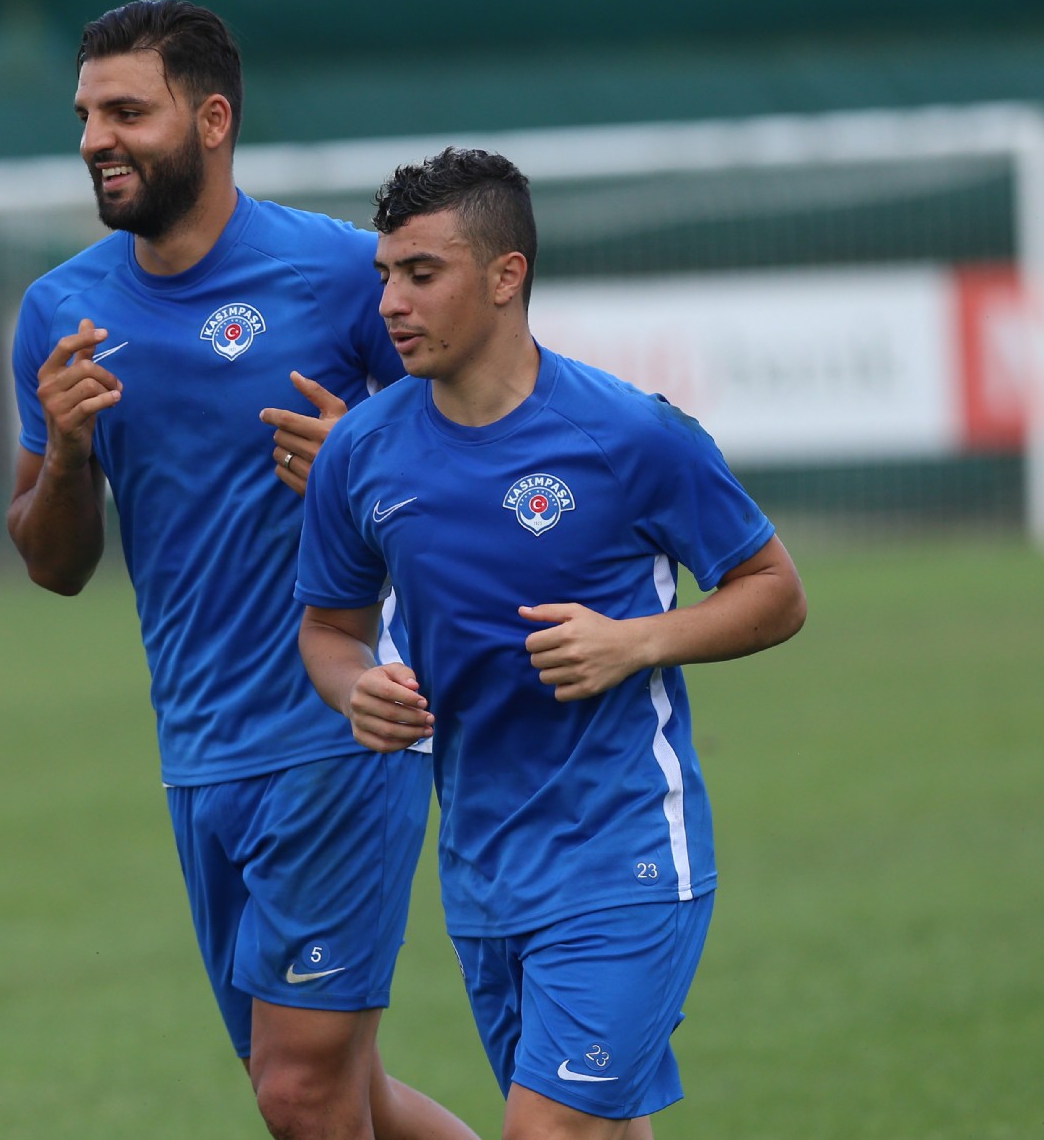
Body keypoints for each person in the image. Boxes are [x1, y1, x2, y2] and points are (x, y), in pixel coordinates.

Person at [8, 0, 477, 1140]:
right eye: (86, 115)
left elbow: (487, 461)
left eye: (128, 112)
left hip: (345, 724)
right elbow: (52, 564)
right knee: (341, 1091)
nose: (96, 140)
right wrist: (65, 455)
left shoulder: (343, 274)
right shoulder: (61, 311)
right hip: (199, 751)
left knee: (301, 1092)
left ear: (212, 120)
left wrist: (360, 467)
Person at [294, 147, 808, 1140]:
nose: (392, 302)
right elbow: (328, 629)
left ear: (506, 276)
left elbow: (775, 591)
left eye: (422, 273)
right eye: (386, 275)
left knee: (545, 1129)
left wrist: (635, 642)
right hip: (483, 867)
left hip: (626, 850)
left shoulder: (631, 435)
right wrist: (355, 688)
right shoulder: (361, 449)